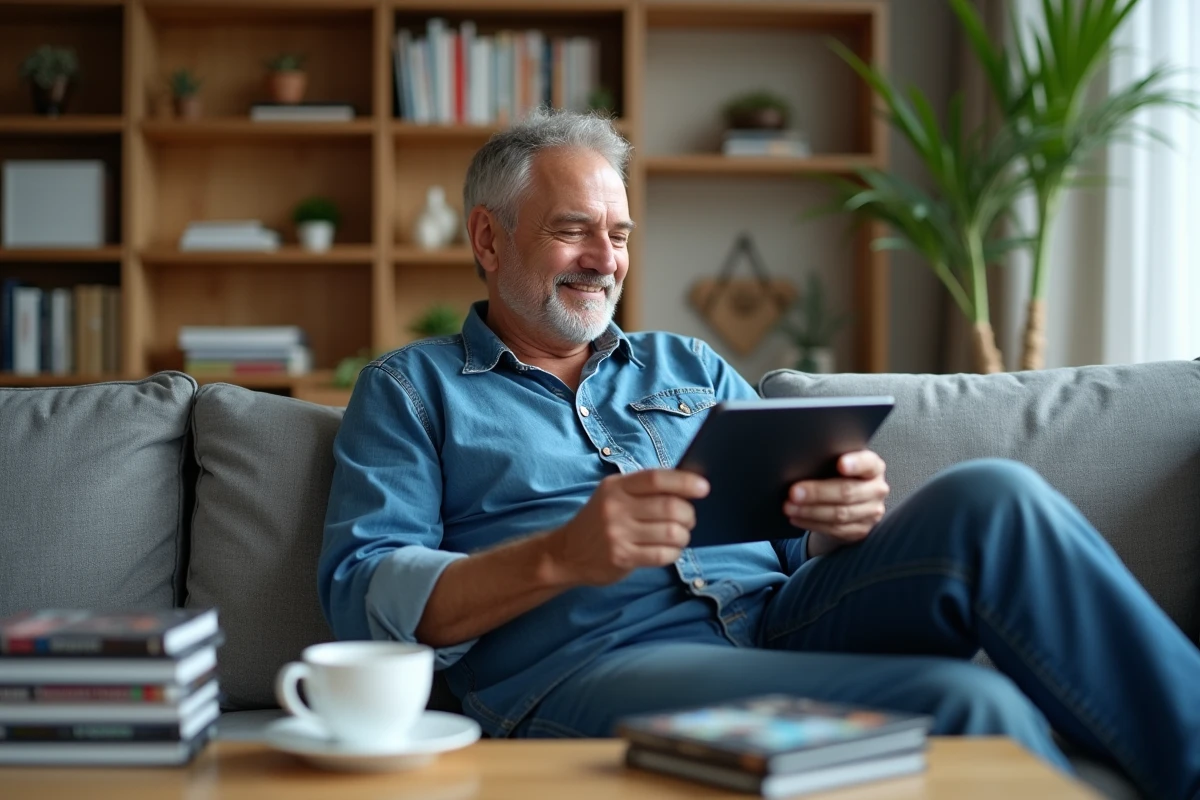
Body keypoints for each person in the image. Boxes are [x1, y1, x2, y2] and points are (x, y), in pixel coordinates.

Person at [319, 109, 1200, 800]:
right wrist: (561, 556)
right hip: (590, 666)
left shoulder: (687, 364)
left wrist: (837, 517)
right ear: (487, 238)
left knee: (996, 500)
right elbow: (365, 591)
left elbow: (789, 539)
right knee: (974, 704)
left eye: (619, 235)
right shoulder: (412, 388)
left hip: (778, 617)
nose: (605, 259)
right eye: (573, 230)